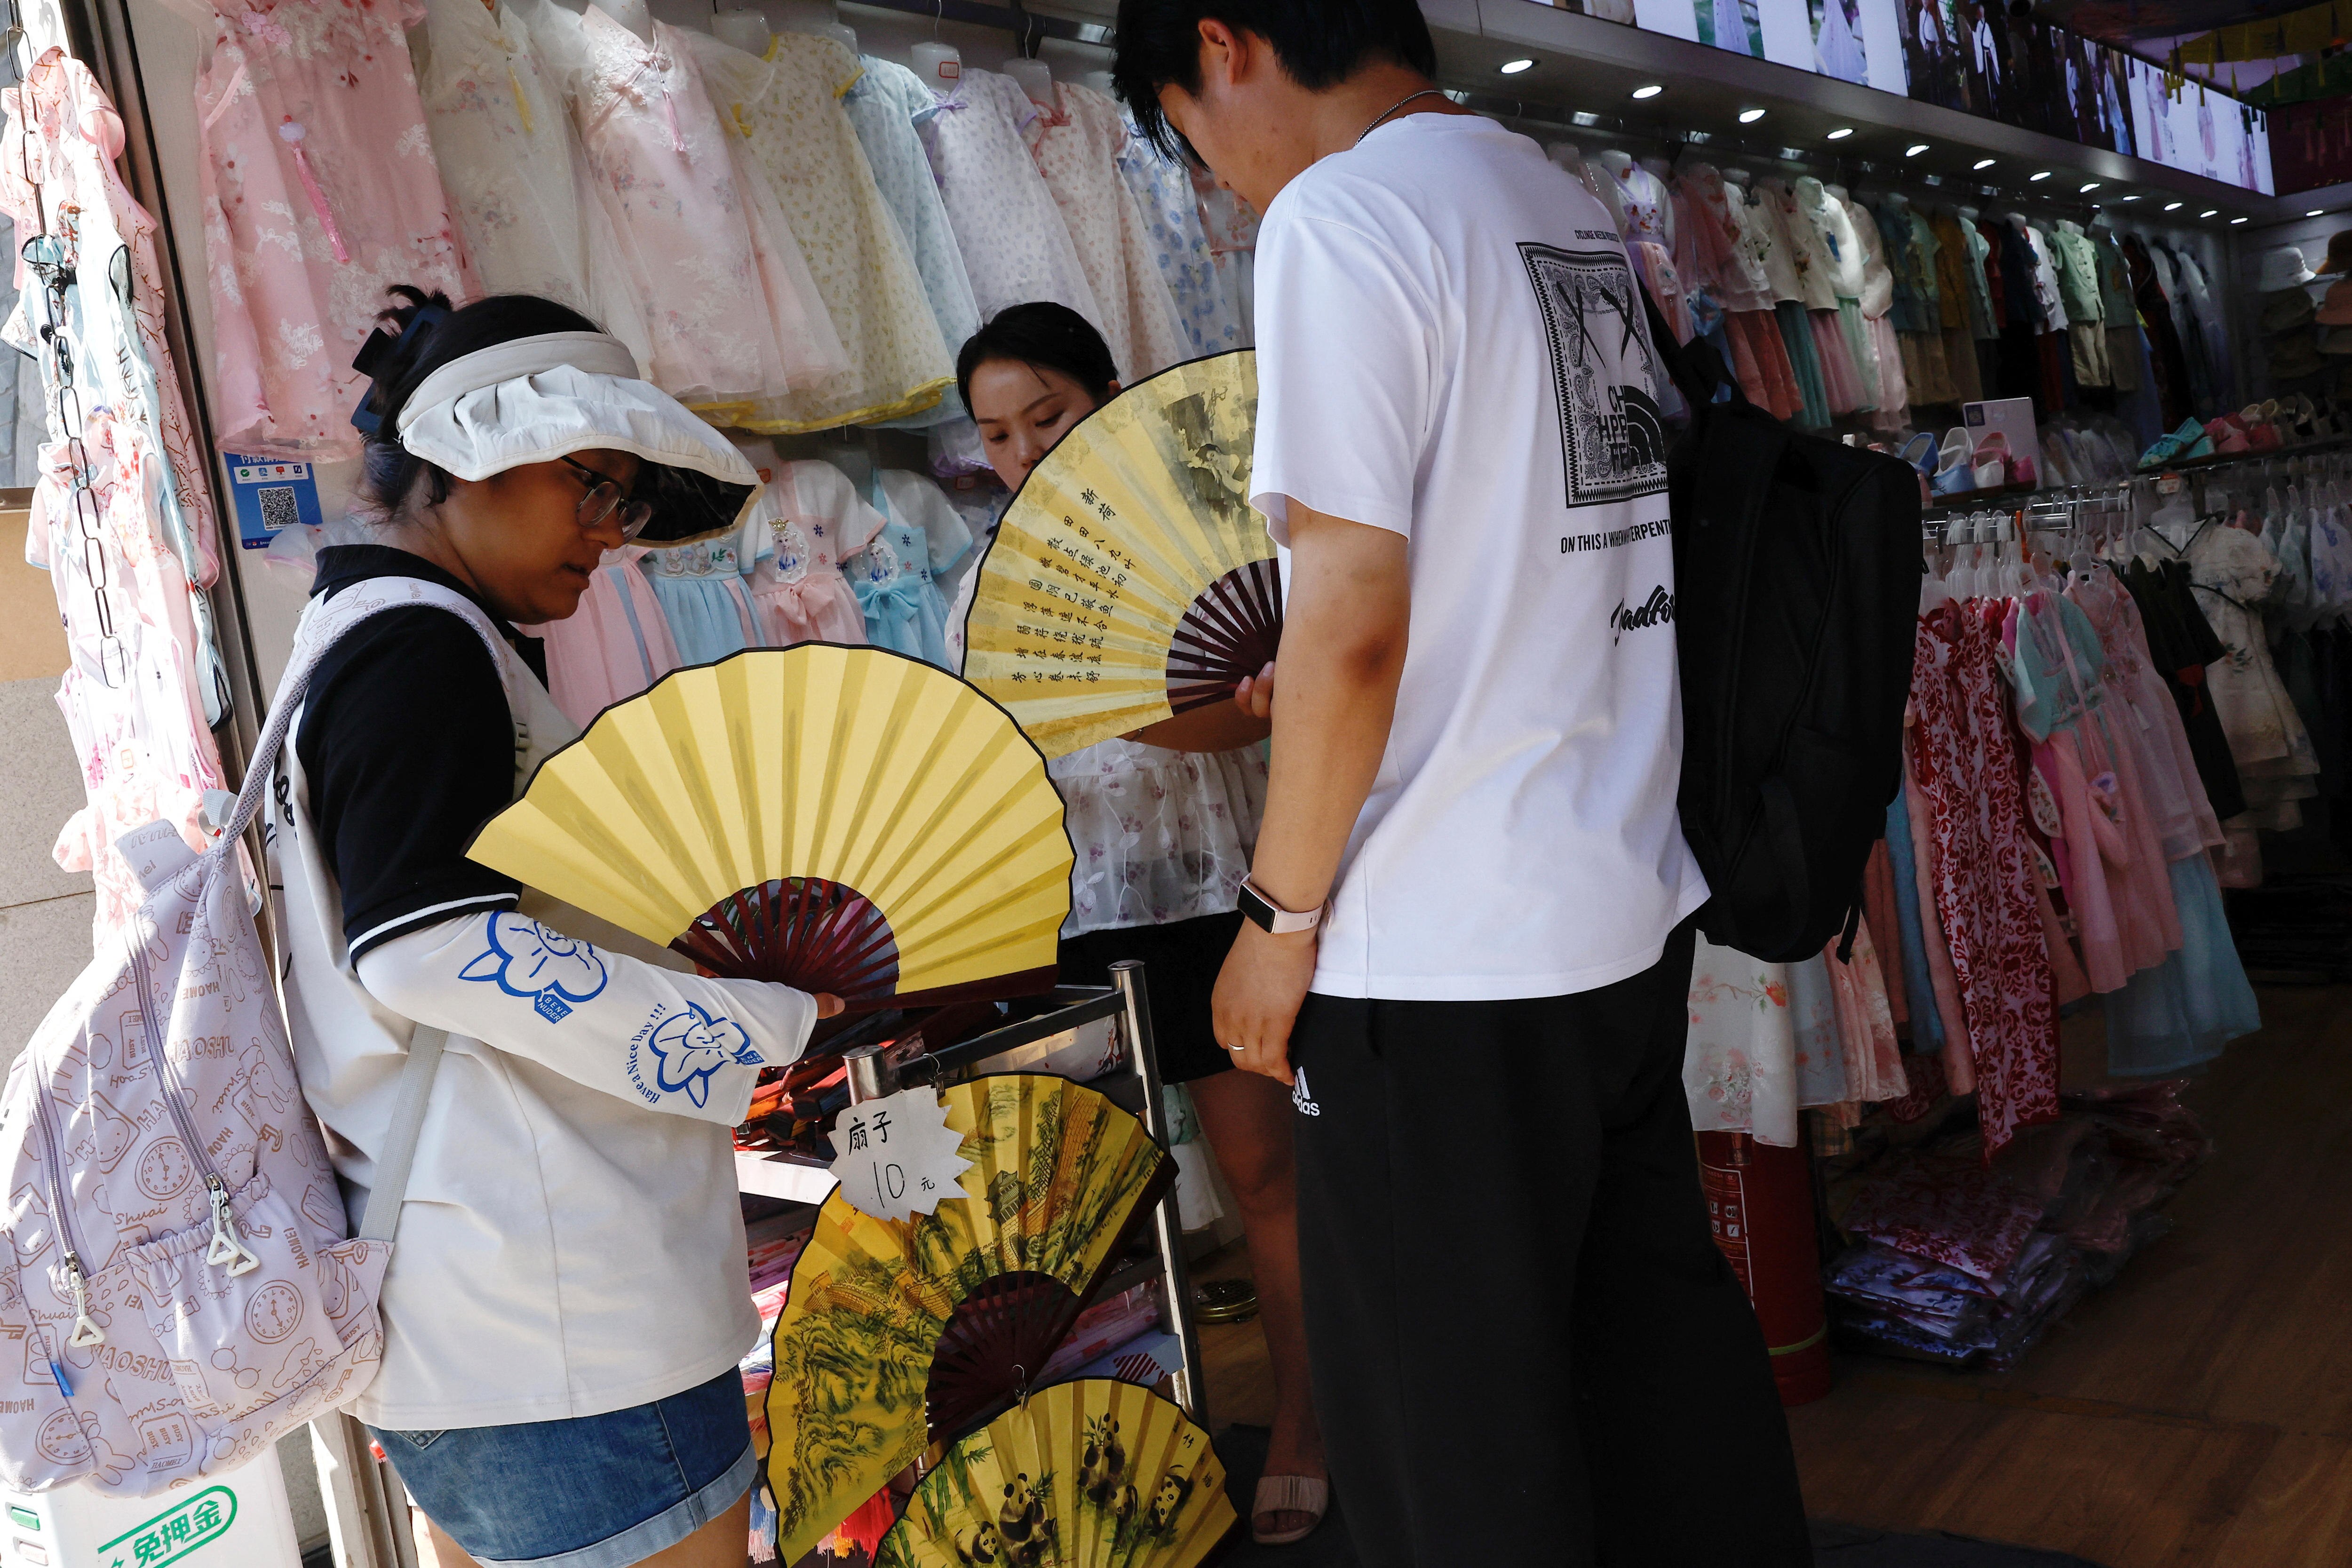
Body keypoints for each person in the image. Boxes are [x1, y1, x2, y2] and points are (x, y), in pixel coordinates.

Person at [1112, 5, 1813, 1565]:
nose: (1214, 178)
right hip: (1615, 895)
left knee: (1447, 1437)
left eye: (1183, 127)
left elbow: (1353, 617)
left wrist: (1278, 915)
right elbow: (1531, 563)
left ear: (1222, 46)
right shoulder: (1547, 193)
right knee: (1653, 1374)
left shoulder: (1344, 216)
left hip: (1439, 946)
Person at [273, 286, 841, 1568]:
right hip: (560, 1317)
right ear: (467, 451)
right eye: (591, 481)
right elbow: (422, 944)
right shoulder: (422, 648)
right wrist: (748, 1026)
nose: (610, 531)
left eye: (626, 500)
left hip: (478, 1297)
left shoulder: (359, 630)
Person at [954, 301, 1327, 1547]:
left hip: (1218, 898)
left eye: (1045, 417)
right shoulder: (986, 576)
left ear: (1108, 394)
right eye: (995, 434)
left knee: (1267, 1177)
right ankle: (1139, 1448)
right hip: (1070, 918)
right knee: (1099, 1218)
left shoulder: (1209, 526)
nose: (1020, 454)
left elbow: (1271, 700)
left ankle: (1304, 1426)